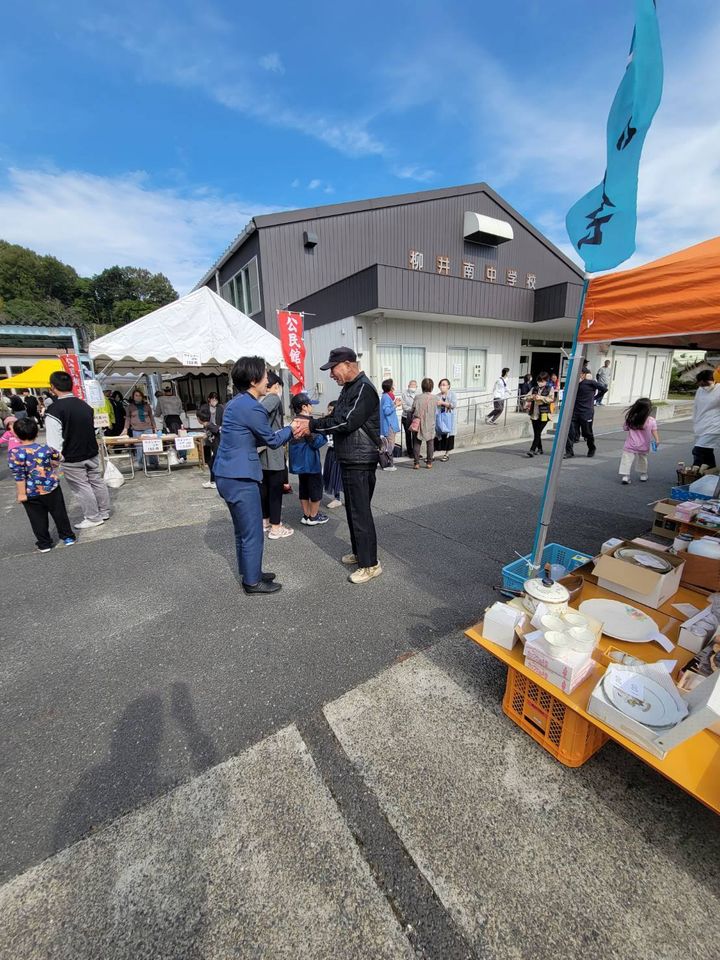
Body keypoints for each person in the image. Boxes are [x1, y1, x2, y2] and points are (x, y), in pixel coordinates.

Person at [293, 346, 382, 585]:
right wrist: (313, 423)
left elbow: (346, 421)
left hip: (360, 459)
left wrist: (311, 425)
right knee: (353, 510)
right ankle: (360, 553)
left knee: (360, 513)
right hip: (351, 457)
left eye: (333, 369)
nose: (331, 374)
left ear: (348, 364)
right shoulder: (350, 388)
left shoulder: (364, 388)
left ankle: (370, 564)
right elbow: (334, 417)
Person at [213, 356, 293, 595]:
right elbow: (271, 440)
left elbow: (254, 436)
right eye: (265, 375)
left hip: (228, 473)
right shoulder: (251, 407)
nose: (268, 379)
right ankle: (252, 582)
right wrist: (293, 428)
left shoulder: (237, 403)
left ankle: (251, 571)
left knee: (242, 530)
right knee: (252, 531)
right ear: (253, 379)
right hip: (240, 477)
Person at [44, 370, 111, 528]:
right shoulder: (85, 406)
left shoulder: (55, 410)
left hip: (72, 456)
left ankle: (93, 517)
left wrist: (54, 460)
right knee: (96, 482)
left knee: (82, 487)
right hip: (91, 451)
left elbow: (54, 441)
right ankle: (104, 511)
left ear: (52, 387)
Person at [8, 417, 76, 552]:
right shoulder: (45, 448)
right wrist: (52, 462)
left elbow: (19, 475)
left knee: (37, 518)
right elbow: (60, 458)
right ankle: (68, 537)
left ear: (15, 434)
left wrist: (21, 494)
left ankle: (44, 544)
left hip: (30, 491)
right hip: (51, 487)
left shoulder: (15, 453)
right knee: (59, 513)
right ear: (37, 432)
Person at [260, 371, 293, 539]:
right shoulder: (273, 398)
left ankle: (265, 522)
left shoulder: (262, 399)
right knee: (274, 490)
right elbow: (259, 415)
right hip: (273, 452)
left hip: (263, 453)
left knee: (265, 489)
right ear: (277, 386)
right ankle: (276, 527)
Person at [289, 393, 329, 526]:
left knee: (304, 488)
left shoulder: (294, 421)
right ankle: (313, 516)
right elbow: (316, 442)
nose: (312, 407)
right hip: (310, 461)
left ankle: (306, 515)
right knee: (316, 488)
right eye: (310, 404)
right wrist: (324, 434)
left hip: (299, 462)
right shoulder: (307, 422)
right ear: (304, 407)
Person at [564, 366, 602, 459]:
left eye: (580, 373)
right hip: (574, 412)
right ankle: (569, 452)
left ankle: (591, 448)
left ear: (584, 374)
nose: (578, 375)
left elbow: (604, 389)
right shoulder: (574, 384)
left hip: (586, 412)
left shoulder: (591, 383)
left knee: (587, 433)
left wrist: (595, 398)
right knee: (570, 432)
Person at [620, 398, 658, 484]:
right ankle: (643, 475)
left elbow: (625, 428)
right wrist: (657, 440)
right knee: (643, 459)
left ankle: (625, 476)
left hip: (631, 444)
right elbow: (654, 430)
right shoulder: (651, 420)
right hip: (644, 444)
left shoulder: (631, 418)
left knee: (626, 459)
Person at [120, 388, 159, 468]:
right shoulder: (130, 407)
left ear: (142, 397)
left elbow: (151, 417)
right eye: (136, 395)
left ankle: (154, 463)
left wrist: (154, 427)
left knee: (151, 446)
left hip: (148, 428)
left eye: (139, 396)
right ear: (133, 397)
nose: (138, 397)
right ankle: (141, 464)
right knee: (139, 448)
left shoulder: (147, 406)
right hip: (136, 429)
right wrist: (125, 428)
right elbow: (128, 418)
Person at [691, 370, 720, 469]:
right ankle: (710, 472)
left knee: (697, 450)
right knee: (707, 451)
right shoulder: (700, 390)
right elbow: (696, 406)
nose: (705, 387)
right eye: (702, 385)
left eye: (707, 383)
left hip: (715, 425)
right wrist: (695, 421)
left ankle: (696, 468)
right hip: (701, 423)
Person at [524, 372, 554, 457]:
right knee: (537, 433)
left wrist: (541, 397)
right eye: (539, 381)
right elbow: (526, 397)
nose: (540, 382)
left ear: (546, 381)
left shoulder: (550, 388)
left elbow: (551, 399)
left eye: (542, 381)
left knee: (538, 432)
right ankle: (540, 449)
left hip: (544, 413)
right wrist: (532, 397)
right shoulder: (534, 388)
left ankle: (532, 450)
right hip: (534, 413)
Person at [410, 378, 437, 469]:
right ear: (432, 387)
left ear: (422, 387)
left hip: (419, 422)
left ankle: (416, 463)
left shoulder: (417, 397)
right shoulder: (435, 398)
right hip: (430, 423)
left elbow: (412, 409)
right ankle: (429, 463)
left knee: (417, 442)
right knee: (430, 443)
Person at [156, 384, 187, 461]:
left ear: (163, 391)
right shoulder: (177, 398)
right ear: (171, 390)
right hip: (177, 419)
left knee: (170, 438)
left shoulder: (160, 399)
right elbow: (180, 410)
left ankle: (173, 456)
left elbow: (157, 412)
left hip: (168, 419)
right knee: (180, 437)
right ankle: (183, 456)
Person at [321, 400, 343, 508]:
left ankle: (346, 497)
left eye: (331, 410)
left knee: (341, 475)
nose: (329, 412)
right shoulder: (327, 421)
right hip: (331, 450)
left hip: (341, 451)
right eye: (328, 409)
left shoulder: (340, 421)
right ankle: (337, 497)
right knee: (332, 474)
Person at [197, 405, 220, 489]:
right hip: (215, 447)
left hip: (218, 448)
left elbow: (218, 430)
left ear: (199, 419)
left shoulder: (209, 425)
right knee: (211, 464)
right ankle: (212, 481)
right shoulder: (207, 425)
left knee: (213, 464)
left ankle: (214, 482)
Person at [435, 378, 457, 461]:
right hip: (440, 419)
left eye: (444, 385)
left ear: (448, 386)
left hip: (449, 419)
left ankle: (447, 454)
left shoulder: (452, 394)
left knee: (449, 436)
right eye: (441, 385)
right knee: (438, 435)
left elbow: (453, 405)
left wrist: (443, 403)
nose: (442, 386)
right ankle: (432, 455)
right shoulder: (437, 396)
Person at [380, 379, 398, 471]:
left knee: (385, 445)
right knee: (389, 445)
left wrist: (394, 403)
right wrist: (396, 405)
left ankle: (385, 464)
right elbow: (387, 411)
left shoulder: (386, 396)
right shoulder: (387, 397)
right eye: (393, 384)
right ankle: (389, 465)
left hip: (388, 424)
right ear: (390, 387)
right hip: (389, 425)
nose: (394, 386)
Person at [401, 380, 418, 458]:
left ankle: (416, 452)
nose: (413, 387)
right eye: (412, 385)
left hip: (415, 418)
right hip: (406, 417)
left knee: (415, 435)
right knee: (408, 435)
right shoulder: (404, 394)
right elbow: (404, 406)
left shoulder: (418, 394)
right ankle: (409, 452)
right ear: (408, 385)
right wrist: (413, 409)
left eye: (415, 385)